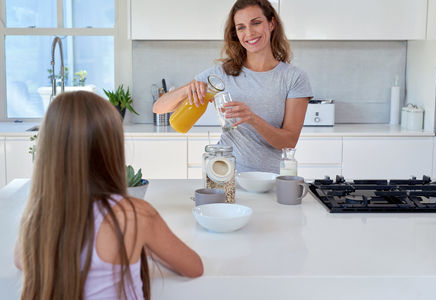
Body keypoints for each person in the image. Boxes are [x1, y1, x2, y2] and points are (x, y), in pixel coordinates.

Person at [14, 91, 203, 300]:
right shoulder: (134, 215)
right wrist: (143, 243)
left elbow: (19, 261)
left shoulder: (35, 218)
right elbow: (194, 267)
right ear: (111, 148)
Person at [153, 0, 313, 173]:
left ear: (272, 23)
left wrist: (252, 119)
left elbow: (289, 142)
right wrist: (187, 89)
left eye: (256, 23)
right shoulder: (221, 75)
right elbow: (158, 107)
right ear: (236, 33)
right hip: (224, 175)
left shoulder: (294, 77)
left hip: (269, 180)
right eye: (241, 27)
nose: (249, 33)